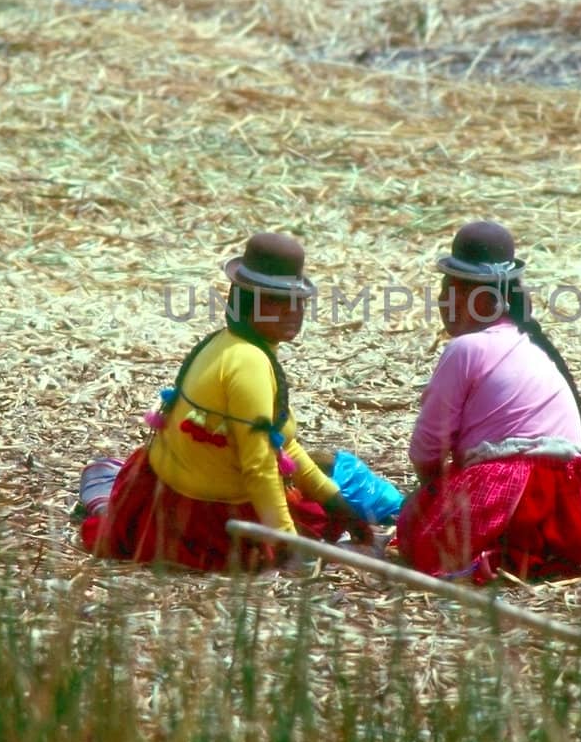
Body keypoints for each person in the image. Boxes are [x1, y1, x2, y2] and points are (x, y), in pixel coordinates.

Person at [76, 232, 372, 570]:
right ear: (248, 302)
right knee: (318, 531)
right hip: (203, 519)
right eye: (278, 301)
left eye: (299, 300)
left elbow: (280, 445)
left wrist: (333, 500)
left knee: (324, 509)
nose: (296, 311)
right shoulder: (249, 363)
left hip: (170, 492)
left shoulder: (229, 342)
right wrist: (290, 548)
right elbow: (260, 465)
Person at [394, 221, 581, 581]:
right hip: (578, 512)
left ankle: (492, 555)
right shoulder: (531, 344)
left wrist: (431, 499)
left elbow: (428, 449)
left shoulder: (466, 348)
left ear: (480, 300)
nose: (441, 303)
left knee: (417, 534)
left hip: (508, 497)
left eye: (451, 291)